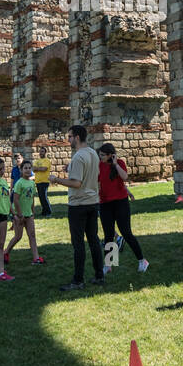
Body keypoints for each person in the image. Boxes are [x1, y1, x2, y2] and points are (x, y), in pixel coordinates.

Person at [51, 125, 104, 292]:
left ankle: (78, 280)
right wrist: (71, 169)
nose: (68, 140)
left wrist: (56, 179)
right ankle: (99, 275)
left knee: (78, 243)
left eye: (70, 137)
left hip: (78, 205)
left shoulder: (78, 157)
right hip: (92, 202)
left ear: (77, 137)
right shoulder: (93, 153)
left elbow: (76, 183)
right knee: (94, 240)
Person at [97, 143, 148, 273]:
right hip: (105, 203)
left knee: (126, 232)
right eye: (100, 154)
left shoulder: (119, 163)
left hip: (120, 203)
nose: (100, 157)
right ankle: (109, 265)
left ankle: (142, 260)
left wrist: (115, 164)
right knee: (108, 235)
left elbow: (125, 177)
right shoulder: (99, 165)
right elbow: (97, 181)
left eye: (103, 155)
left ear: (110, 155)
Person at [4, 159, 44, 265]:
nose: (27, 170)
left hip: (29, 214)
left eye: (29, 168)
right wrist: (19, 214)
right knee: (18, 236)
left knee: (32, 235)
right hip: (19, 214)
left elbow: (31, 198)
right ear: (21, 170)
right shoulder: (19, 183)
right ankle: (6, 252)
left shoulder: (31, 183)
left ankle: (36, 258)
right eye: (25, 168)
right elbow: (16, 200)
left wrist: (32, 211)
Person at [33, 145, 52, 217]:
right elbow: (33, 169)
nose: (41, 153)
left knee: (44, 197)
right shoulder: (37, 161)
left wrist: (37, 168)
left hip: (44, 181)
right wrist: (39, 168)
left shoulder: (47, 160)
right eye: (40, 151)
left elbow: (44, 169)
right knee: (41, 197)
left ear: (45, 153)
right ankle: (44, 211)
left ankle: (48, 212)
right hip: (38, 181)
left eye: (42, 151)